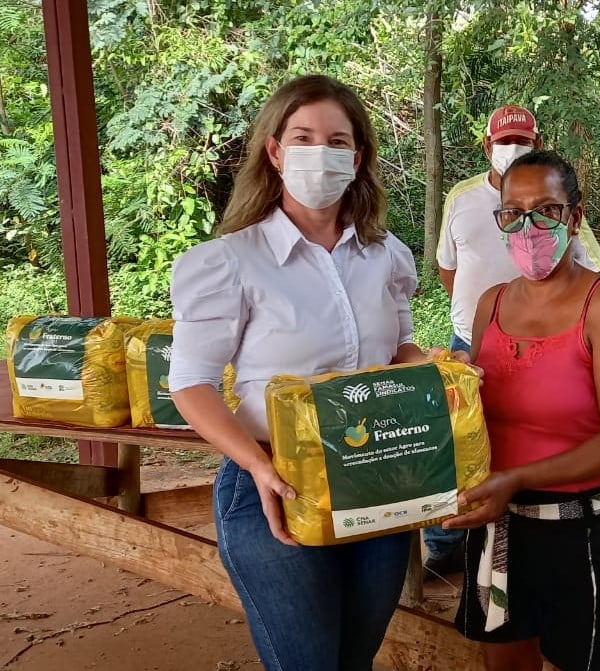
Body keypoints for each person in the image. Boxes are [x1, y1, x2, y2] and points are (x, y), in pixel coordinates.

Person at [168, 74, 431, 671]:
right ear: (275, 151)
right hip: (275, 480)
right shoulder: (231, 261)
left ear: (357, 158)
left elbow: (400, 352)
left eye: (337, 141)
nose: (320, 152)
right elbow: (190, 383)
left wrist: (439, 372)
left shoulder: (386, 255)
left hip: (377, 475)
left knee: (354, 658)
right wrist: (258, 467)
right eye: (303, 137)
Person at [444, 150, 600, 671]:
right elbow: (477, 413)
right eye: (513, 213)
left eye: (546, 210)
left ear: (575, 217)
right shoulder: (491, 303)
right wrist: (450, 385)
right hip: (499, 523)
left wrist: (517, 478)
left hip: (587, 530)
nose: (528, 226)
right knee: (505, 664)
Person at [424, 105, 600, 578]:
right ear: (487, 146)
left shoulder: (559, 196)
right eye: (504, 142)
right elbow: (447, 265)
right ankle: (444, 544)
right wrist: (481, 320)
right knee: (460, 442)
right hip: (472, 338)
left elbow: (590, 266)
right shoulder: (462, 198)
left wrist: (542, 311)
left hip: (547, 343)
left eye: (521, 141)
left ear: (537, 142)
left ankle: (519, 524)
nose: (512, 149)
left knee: (526, 432)